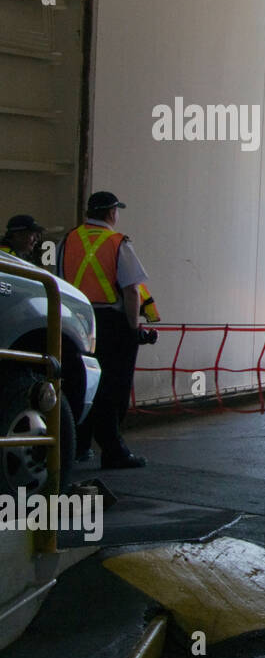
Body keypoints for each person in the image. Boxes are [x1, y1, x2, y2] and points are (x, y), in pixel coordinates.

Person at [57, 193, 151, 468]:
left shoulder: (67, 240)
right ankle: (113, 450)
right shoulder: (117, 242)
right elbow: (131, 289)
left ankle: (78, 445)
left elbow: (58, 279)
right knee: (113, 387)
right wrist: (134, 330)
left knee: (79, 383)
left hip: (75, 321)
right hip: (111, 323)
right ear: (111, 213)